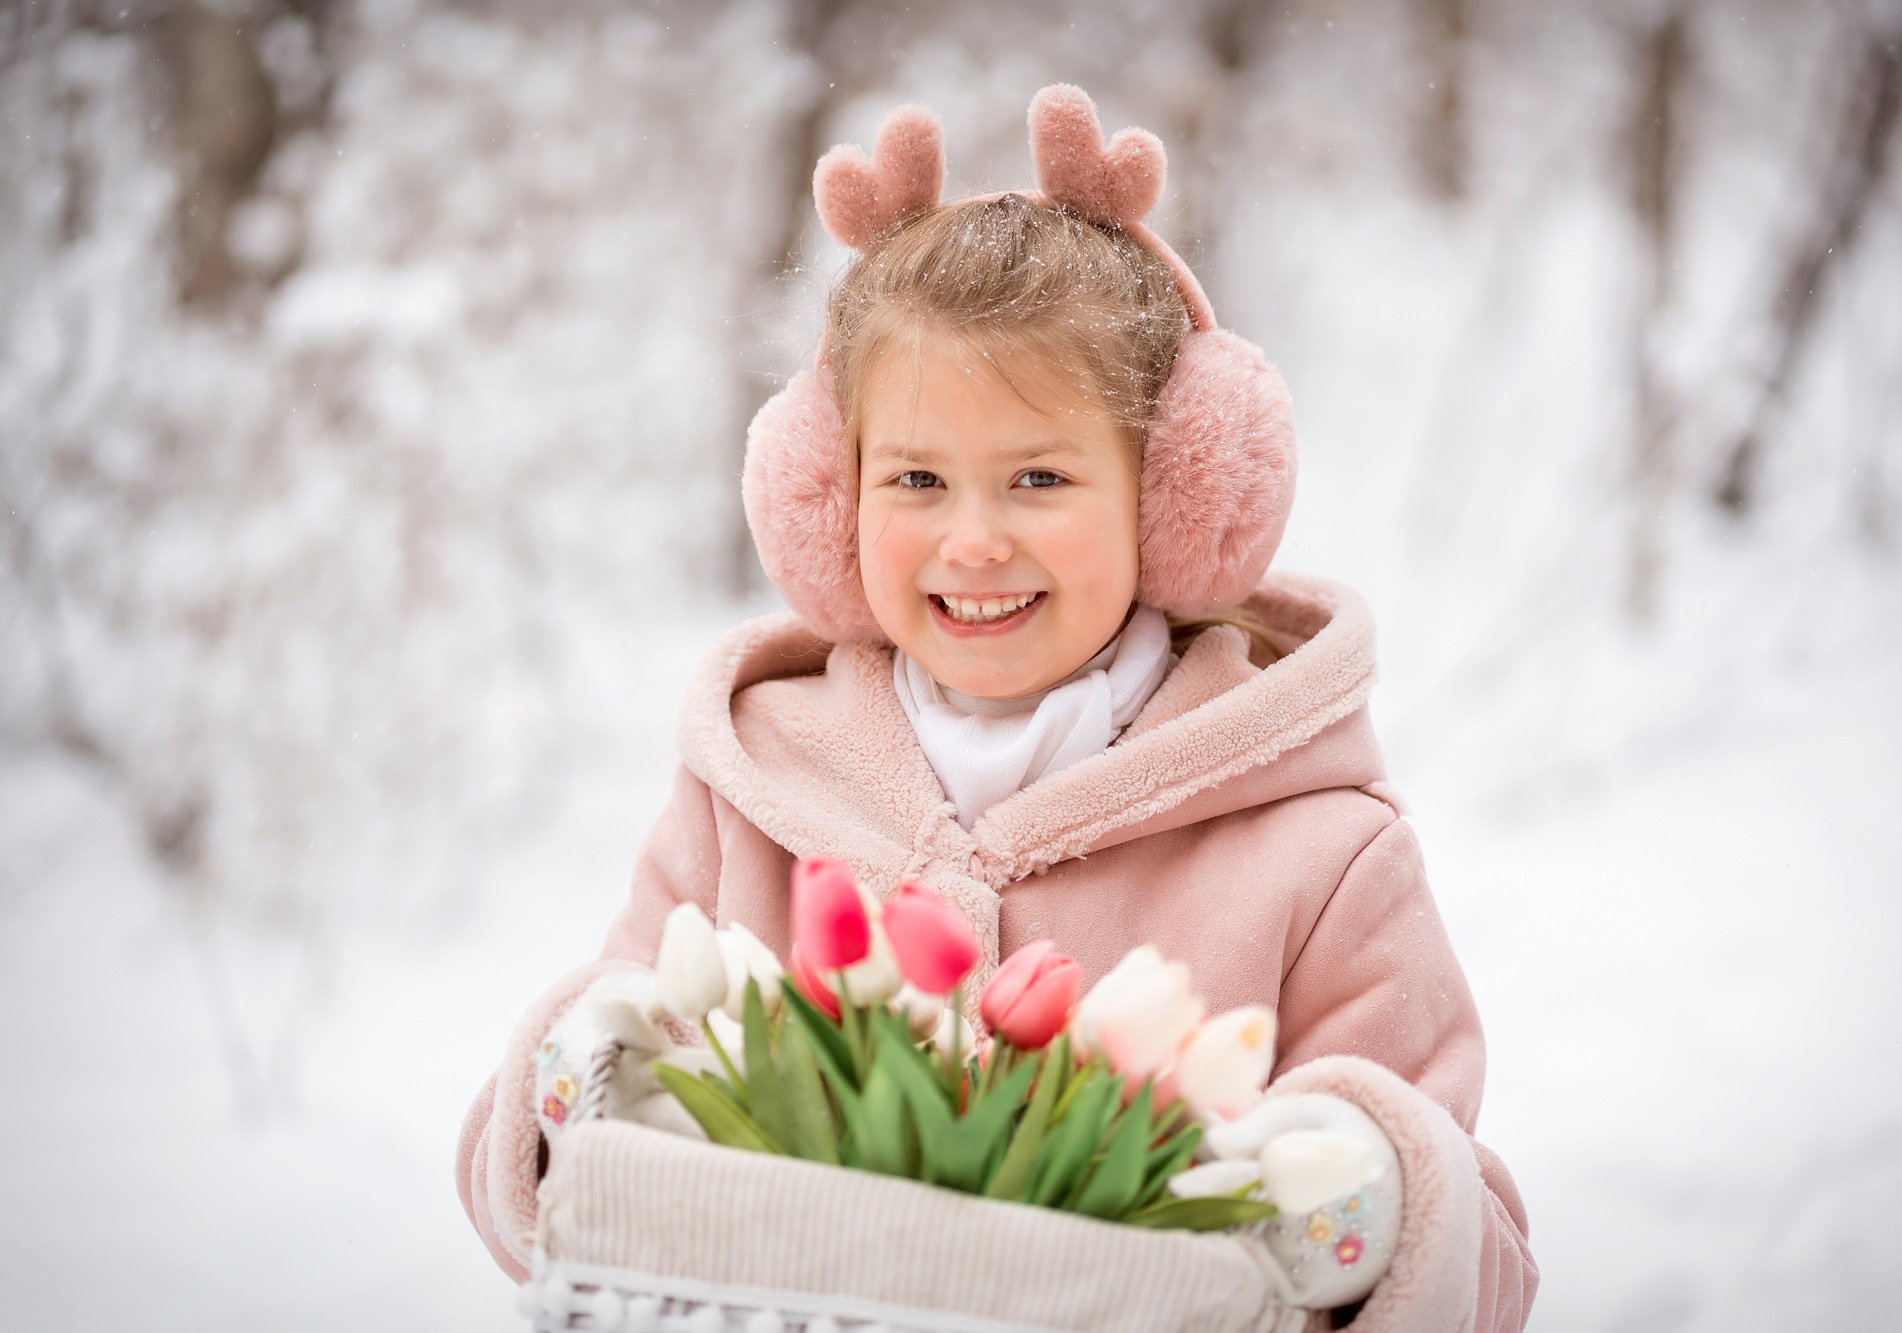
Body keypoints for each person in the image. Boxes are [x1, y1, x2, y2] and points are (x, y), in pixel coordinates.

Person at [458, 86, 1536, 1331]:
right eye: (914, 476)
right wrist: (575, 1073)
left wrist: (1366, 1190)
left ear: (1175, 499)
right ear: (826, 495)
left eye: (1038, 476)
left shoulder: (1317, 851)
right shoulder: (748, 793)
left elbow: (1484, 1264)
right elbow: (549, 1210)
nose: (971, 540)